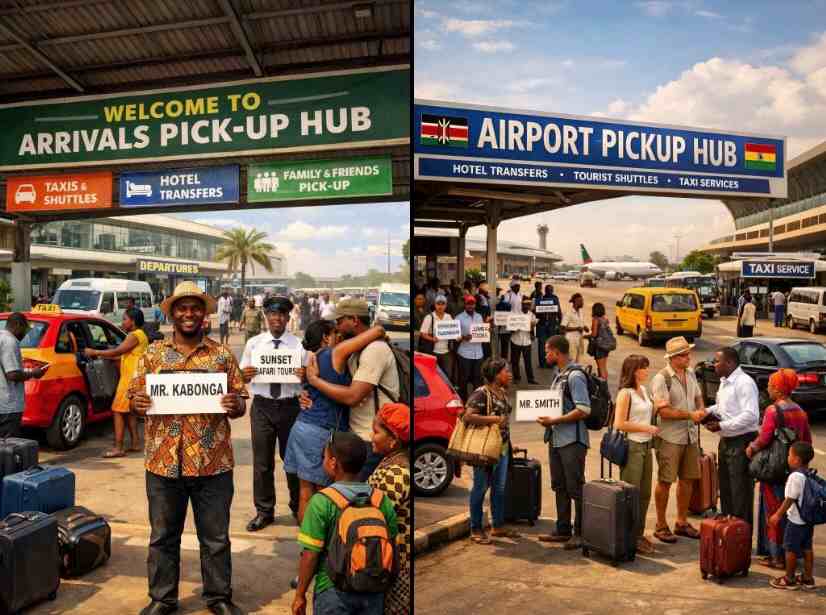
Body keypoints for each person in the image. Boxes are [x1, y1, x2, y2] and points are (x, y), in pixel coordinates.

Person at [129, 281, 248, 615]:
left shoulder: (222, 355)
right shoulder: (152, 355)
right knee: (163, 536)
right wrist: (138, 402)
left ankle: (218, 597)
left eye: (195, 307)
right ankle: (162, 598)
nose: (189, 314)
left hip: (213, 464)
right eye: (182, 308)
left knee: (215, 538)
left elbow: (240, 403)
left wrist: (234, 403)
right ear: (172, 313)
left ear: (204, 314)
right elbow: (135, 398)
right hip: (163, 462)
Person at [285, 320, 385, 523]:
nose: (339, 337)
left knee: (305, 493)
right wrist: (379, 331)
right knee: (326, 496)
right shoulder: (334, 354)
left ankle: (308, 546)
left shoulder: (311, 360)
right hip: (320, 431)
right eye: (336, 332)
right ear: (325, 337)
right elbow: (378, 330)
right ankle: (326, 547)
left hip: (302, 427)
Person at [292, 431, 398, 615]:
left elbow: (310, 555)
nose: (322, 460)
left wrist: (300, 594)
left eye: (324, 456)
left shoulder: (321, 501)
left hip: (333, 590)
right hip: (373, 590)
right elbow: (393, 546)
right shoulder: (381, 500)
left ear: (333, 463)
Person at [305, 299, 400, 481]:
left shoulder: (375, 350)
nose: (337, 327)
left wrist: (315, 382)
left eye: (340, 321)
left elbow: (353, 397)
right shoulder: (358, 348)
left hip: (371, 438)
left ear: (354, 320)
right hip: (357, 435)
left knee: (359, 498)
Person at [240, 296, 304, 531]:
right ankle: (264, 511)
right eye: (272, 314)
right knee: (262, 463)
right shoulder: (254, 344)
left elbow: (309, 378)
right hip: (263, 407)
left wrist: (304, 374)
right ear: (266, 317)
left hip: (290, 407)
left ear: (288, 318)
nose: (276, 318)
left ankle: (298, 507)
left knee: (293, 461)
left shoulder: (298, 345)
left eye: (281, 314)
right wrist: (244, 375)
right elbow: (241, 374)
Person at [747, 369, 812, 570]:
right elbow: (807, 442)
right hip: (793, 470)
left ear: (778, 389)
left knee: (773, 511)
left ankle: (776, 557)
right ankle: (792, 552)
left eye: (770, 385)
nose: (767, 388)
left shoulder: (773, 411)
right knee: (790, 510)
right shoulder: (800, 411)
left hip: (774, 469)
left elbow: (765, 438)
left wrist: (751, 448)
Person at [649, 336, 707, 543]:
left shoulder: (690, 373)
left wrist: (700, 409)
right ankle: (661, 524)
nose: (688, 358)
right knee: (665, 480)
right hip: (670, 438)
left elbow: (698, 396)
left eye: (688, 353)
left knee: (688, 479)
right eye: (684, 355)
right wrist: (690, 415)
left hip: (690, 436)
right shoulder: (661, 379)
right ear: (673, 358)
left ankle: (681, 522)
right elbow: (663, 412)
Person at [537, 335, 590, 550]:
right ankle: (562, 529)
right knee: (559, 485)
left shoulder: (575, 376)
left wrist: (555, 420)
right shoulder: (558, 375)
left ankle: (580, 533)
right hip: (557, 440)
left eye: (547, 351)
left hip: (572, 441)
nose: (545, 354)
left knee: (575, 488)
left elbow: (584, 409)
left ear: (557, 353)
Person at [705, 346, 760, 532]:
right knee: (726, 488)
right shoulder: (724, 381)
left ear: (729, 363)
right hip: (726, 442)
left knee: (740, 491)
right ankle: (728, 531)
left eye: (717, 361)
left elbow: (751, 416)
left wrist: (722, 426)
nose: (714, 364)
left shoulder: (744, 383)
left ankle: (741, 534)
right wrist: (705, 413)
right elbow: (723, 408)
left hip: (741, 442)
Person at [464, 358, 518, 544]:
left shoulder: (502, 393)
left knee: (499, 489)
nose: (509, 374)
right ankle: (476, 528)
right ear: (495, 375)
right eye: (506, 371)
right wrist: (494, 420)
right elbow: (468, 416)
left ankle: (497, 526)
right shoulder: (481, 393)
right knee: (479, 488)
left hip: (501, 449)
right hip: (484, 450)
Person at [85, 307, 149, 458]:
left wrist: (95, 352)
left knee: (117, 411)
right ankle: (134, 443)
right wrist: (110, 357)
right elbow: (125, 355)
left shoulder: (134, 335)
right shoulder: (140, 335)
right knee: (129, 412)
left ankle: (118, 447)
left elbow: (118, 351)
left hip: (130, 379)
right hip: (135, 378)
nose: (122, 322)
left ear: (132, 321)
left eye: (125, 319)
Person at [614, 354, 660, 555]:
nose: (646, 371)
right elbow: (619, 424)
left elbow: (647, 411)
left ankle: (639, 534)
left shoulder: (643, 390)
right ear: (633, 370)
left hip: (645, 447)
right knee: (631, 494)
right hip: (632, 446)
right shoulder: (626, 393)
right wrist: (646, 428)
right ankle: (628, 535)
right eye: (643, 368)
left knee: (645, 493)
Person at [367, 403, 411, 615]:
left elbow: (375, 517)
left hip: (397, 560)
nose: (371, 436)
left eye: (376, 432)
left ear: (393, 440)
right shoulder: (390, 461)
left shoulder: (396, 473)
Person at [768, 441, 817, 590]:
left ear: (796, 460)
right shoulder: (809, 473)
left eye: (789, 454)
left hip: (795, 521)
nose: (787, 457)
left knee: (790, 549)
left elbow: (790, 499)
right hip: (808, 520)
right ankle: (808, 578)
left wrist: (777, 515)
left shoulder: (795, 476)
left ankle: (789, 579)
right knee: (807, 548)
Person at [0, 313, 49, 438]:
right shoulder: (10, 342)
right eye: (25, 329)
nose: (25, 334)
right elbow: (12, 374)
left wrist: (26, 370)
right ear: (17, 325)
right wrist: (33, 373)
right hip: (8, 406)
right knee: (8, 447)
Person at [455, 296, 485, 402]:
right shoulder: (459, 318)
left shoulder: (479, 317)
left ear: (475, 305)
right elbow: (455, 336)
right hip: (465, 353)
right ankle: (463, 401)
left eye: (472, 304)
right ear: (465, 304)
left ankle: (476, 402)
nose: (470, 306)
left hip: (479, 353)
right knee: (463, 379)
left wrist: (487, 330)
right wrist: (464, 337)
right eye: (468, 304)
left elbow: (482, 331)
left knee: (478, 379)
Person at [419, 295, 454, 378]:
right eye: (438, 304)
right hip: (433, 352)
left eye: (443, 304)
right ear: (435, 305)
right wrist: (432, 339)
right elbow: (422, 333)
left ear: (446, 305)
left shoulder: (448, 317)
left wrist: (457, 336)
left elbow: (453, 331)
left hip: (446, 352)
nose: (440, 306)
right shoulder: (429, 317)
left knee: (447, 376)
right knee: (433, 375)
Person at [510, 297, 538, 384]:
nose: (527, 306)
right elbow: (510, 329)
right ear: (522, 304)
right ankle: (517, 378)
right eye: (525, 304)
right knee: (515, 361)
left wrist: (532, 335)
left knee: (528, 361)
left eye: (529, 304)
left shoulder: (532, 315)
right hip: (516, 340)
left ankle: (530, 379)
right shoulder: (515, 314)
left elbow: (533, 329)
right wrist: (515, 328)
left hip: (527, 341)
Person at [534, 284, 561, 369]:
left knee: (552, 345)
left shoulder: (555, 299)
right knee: (541, 345)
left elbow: (559, 311)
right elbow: (535, 312)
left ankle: (550, 363)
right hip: (542, 325)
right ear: (545, 291)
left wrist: (559, 324)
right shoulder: (540, 299)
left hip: (552, 325)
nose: (550, 292)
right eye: (548, 290)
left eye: (551, 290)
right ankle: (542, 363)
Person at [586, 302, 612, 379]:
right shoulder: (605, 319)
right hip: (606, 346)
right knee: (603, 367)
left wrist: (585, 336)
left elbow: (594, 334)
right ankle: (604, 385)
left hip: (599, 346)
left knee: (601, 369)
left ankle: (603, 387)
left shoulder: (595, 319)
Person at [560, 293, 588, 363]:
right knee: (571, 360)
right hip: (571, 340)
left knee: (578, 361)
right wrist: (577, 328)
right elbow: (562, 327)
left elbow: (580, 323)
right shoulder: (569, 312)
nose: (583, 303)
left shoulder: (580, 312)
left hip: (579, 339)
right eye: (581, 301)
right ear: (576, 302)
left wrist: (584, 327)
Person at [494, 292, 512, 360]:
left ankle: (498, 359)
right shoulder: (508, 305)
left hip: (499, 328)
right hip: (506, 329)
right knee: (505, 346)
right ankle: (504, 360)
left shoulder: (498, 305)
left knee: (498, 346)